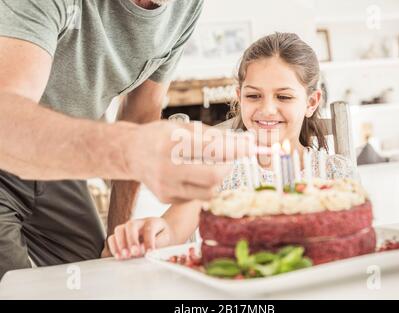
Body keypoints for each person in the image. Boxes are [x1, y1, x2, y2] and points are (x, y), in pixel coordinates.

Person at [0, 0, 255, 278]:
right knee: (13, 284)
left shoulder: (186, 6)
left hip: (60, 162)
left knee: (95, 279)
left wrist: (117, 239)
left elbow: (140, 116)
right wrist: (130, 152)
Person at [106, 32, 356, 260]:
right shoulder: (220, 171)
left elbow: (355, 245)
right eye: (254, 95)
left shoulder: (334, 173)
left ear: (311, 102)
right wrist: (151, 233)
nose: (267, 109)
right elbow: (172, 230)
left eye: (284, 97)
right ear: (239, 97)